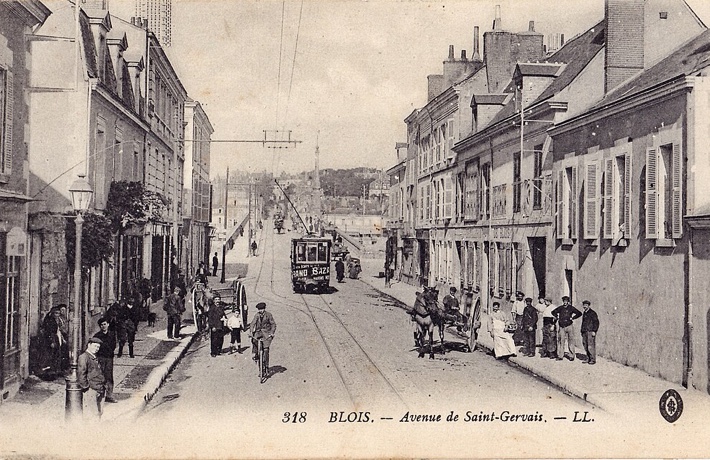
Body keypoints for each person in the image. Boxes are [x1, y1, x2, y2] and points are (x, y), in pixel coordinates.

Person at [77, 337, 106, 419]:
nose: (96, 349)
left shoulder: (95, 356)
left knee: (99, 412)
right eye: (95, 346)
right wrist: (87, 388)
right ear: (89, 345)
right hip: (92, 389)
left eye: (98, 347)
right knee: (93, 413)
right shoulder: (84, 357)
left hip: (100, 388)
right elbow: (81, 374)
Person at [93, 317, 117, 403]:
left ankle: (109, 395)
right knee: (100, 376)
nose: (103, 326)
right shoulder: (97, 336)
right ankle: (100, 395)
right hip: (101, 358)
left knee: (109, 376)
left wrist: (109, 351)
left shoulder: (112, 334)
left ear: (108, 325)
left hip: (109, 358)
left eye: (105, 324)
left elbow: (114, 345)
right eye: (101, 325)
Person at [552, 296, 582, 361]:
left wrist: (573, 318)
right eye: (564, 301)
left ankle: (571, 355)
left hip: (569, 326)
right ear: (563, 301)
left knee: (571, 341)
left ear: (568, 301)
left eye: (566, 301)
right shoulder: (560, 308)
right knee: (561, 341)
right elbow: (553, 312)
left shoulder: (571, 308)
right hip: (562, 326)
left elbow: (579, 313)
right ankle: (560, 355)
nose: (565, 302)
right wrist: (556, 317)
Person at [249, 302, 276, 374]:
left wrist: (271, 333)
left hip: (266, 333)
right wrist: (251, 331)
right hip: (258, 332)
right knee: (254, 340)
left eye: (262, 309)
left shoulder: (268, 315)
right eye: (259, 309)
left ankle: (266, 366)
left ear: (264, 308)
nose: (261, 311)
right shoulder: (257, 315)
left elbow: (273, 324)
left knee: (266, 350)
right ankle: (255, 354)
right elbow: (252, 323)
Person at [40, 307, 66, 380]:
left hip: (55, 338)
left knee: (55, 355)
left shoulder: (55, 320)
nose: (57, 315)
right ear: (52, 313)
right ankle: (49, 375)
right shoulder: (49, 321)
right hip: (50, 339)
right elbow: (49, 332)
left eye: (58, 313)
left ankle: (55, 372)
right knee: (50, 356)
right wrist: (52, 341)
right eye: (56, 313)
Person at [580, 300, 599, 365]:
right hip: (584, 331)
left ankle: (592, 359)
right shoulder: (584, 313)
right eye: (584, 305)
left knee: (590, 346)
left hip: (590, 331)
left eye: (586, 305)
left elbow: (596, 322)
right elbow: (583, 323)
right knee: (585, 345)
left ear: (588, 306)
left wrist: (594, 330)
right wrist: (581, 331)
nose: (584, 306)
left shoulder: (592, 313)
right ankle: (588, 358)